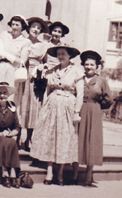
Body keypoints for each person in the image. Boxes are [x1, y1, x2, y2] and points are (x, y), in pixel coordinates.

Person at [30, 45, 84, 186]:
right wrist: (44, 107)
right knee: (50, 137)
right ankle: (49, 171)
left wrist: (77, 112)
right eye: (58, 54)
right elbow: (47, 91)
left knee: (64, 139)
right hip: (52, 106)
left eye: (63, 54)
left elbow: (80, 94)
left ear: (69, 56)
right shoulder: (52, 71)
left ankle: (60, 173)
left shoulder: (76, 71)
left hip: (68, 106)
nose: (60, 56)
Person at [72, 50, 112, 187]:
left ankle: (89, 175)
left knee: (92, 141)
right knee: (78, 140)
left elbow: (108, 99)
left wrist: (98, 107)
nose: (89, 67)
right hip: (80, 111)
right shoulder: (79, 80)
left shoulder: (101, 81)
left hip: (95, 112)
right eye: (86, 64)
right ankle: (75, 174)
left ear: (96, 67)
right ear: (83, 65)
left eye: (92, 65)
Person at [20, 17, 49, 150]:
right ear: (28, 28)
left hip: (34, 78)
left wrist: (41, 67)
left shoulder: (43, 45)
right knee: (20, 104)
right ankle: (17, 137)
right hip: (21, 74)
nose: (36, 30)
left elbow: (46, 62)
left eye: (39, 28)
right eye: (34, 27)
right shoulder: (23, 41)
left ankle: (30, 139)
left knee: (33, 106)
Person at [0, 82, 22, 188]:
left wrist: (11, 133)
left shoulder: (12, 106)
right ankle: (8, 172)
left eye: (5, 93)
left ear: (8, 94)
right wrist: (0, 134)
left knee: (10, 140)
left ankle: (9, 172)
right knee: (8, 141)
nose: (2, 96)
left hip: (7, 137)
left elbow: (17, 127)